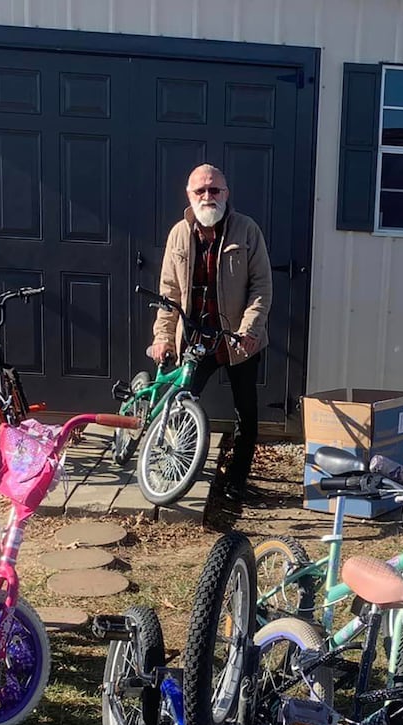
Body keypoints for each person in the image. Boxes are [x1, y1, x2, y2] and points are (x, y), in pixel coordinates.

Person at [147, 164, 272, 503]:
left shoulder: (247, 230)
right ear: (189, 195)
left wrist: (250, 330)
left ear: (226, 194)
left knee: (245, 413)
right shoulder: (178, 234)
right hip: (195, 339)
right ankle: (169, 467)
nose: (207, 196)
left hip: (236, 340)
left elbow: (261, 287)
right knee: (177, 405)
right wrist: (162, 336)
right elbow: (169, 292)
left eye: (214, 190)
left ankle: (236, 480)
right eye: (200, 191)